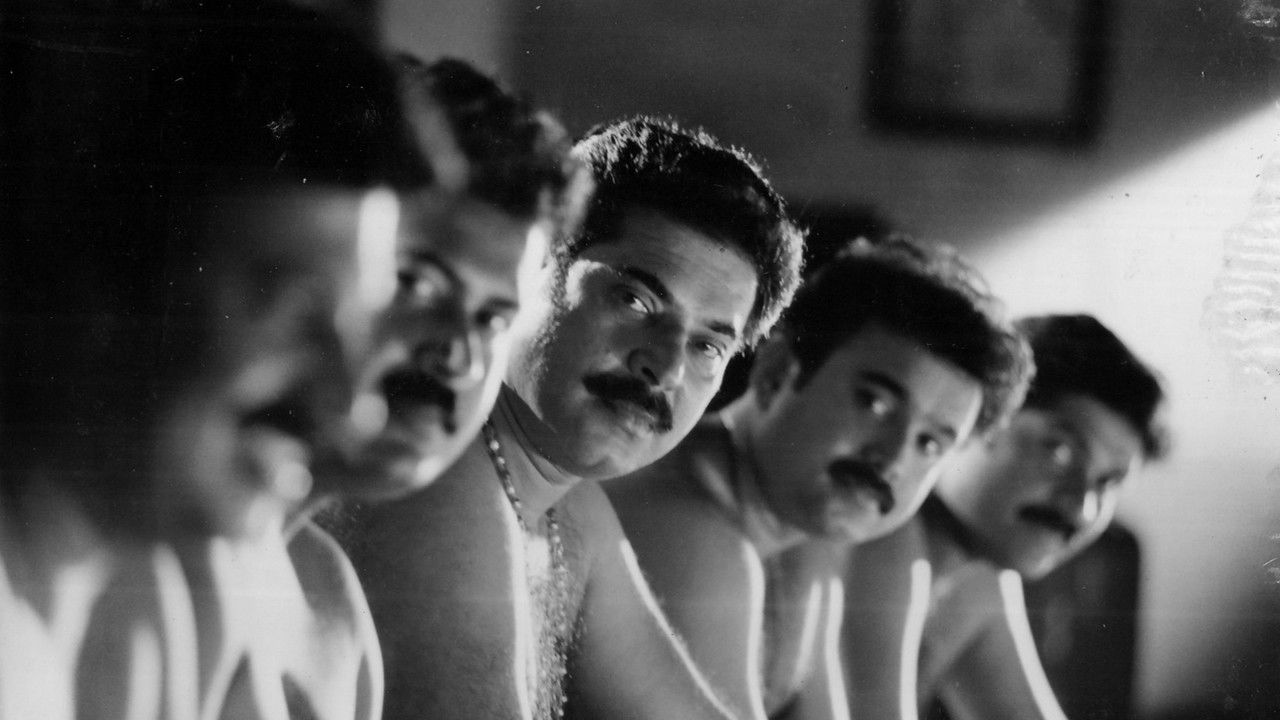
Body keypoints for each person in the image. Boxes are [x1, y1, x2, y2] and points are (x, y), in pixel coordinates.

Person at [151, 34, 581, 720]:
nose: (457, 355)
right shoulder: (147, 557)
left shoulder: (329, 598)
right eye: (414, 283)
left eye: (492, 318)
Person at [344, 116, 806, 720]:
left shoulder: (570, 508)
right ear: (533, 270)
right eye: (635, 300)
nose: (665, 366)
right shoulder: (444, 478)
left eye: (707, 347)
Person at [605, 237, 1033, 720]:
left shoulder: (804, 539)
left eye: (930, 443)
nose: (893, 457)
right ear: (776, 373)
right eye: (875, 403)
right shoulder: (687, 525)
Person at [834, 314, 1168, 720]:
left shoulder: (978, 580)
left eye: (1106, 483)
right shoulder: (888, 536)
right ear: (977, 421)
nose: (1081, 506)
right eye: (1060, 450)